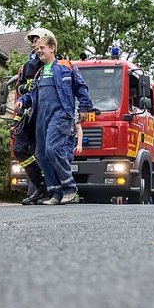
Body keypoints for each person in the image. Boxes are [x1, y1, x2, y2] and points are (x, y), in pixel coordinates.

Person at [16, 35, 93, 205]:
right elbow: (31, 94)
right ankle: (55, 192)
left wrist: (85, 108)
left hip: (60, 115)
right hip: (40, 117)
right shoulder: (39, 73)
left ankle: (70, 189)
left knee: (52, 150)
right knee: (42, 155)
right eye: (36, 50)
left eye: (42, 48)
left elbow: (81, 87)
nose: (39, 52)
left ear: (52, 48)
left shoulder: (66, 67)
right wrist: (23, 100)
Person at [14, 27, 53, 205]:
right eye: (32, 41)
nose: (33, 44)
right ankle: (39, 187)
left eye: (36, 40)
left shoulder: (51, 63)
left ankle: (43, 190)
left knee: (43, 153)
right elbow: (20, 88)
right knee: (19, 149)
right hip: (29, 113)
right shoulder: (27, 65)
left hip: (45, 114)